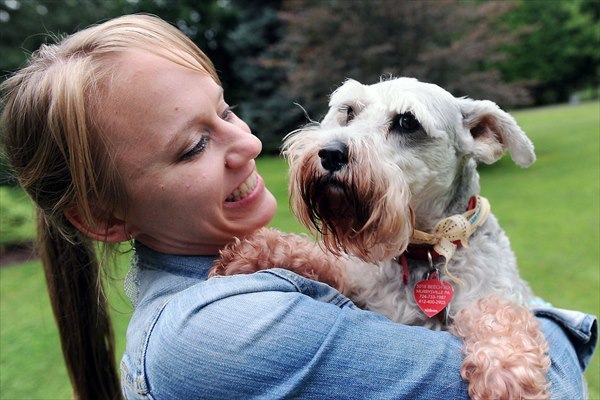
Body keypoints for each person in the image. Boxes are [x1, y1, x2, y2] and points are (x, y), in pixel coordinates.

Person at [1, 14, 596, 400]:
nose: (252, 145)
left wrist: (293, 254)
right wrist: (530, 319)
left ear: (483, 139)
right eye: (193, 146)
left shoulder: (256, 281)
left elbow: (355, 286)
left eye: (227, 111)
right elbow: (552, 391)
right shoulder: (225, 337)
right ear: (104, 217)